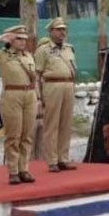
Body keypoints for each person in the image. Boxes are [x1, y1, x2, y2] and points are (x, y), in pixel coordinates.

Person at [0, 25, 38, 185]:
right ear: (11, 40)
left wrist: (38, 98)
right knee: (14, 135)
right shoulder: (3, 55)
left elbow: (35, 79)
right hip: (12, 95)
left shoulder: (29, 56)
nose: (22, 42)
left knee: (27, 135)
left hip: (30, 95)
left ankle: (24, 169)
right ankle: (13, 171)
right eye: (18, 38)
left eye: (24, 39)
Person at [35, 18, 78, 172]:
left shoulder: (69, 49)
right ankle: (52, 160)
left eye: (64, 29)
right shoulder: (43, 50)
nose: (62, 32)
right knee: (51, 124)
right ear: (51, 31)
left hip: (68, 84)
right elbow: (37, 75)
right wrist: (39, 97)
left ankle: (63, 158)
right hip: (52, 85)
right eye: (59, 29)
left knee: (66, 124)